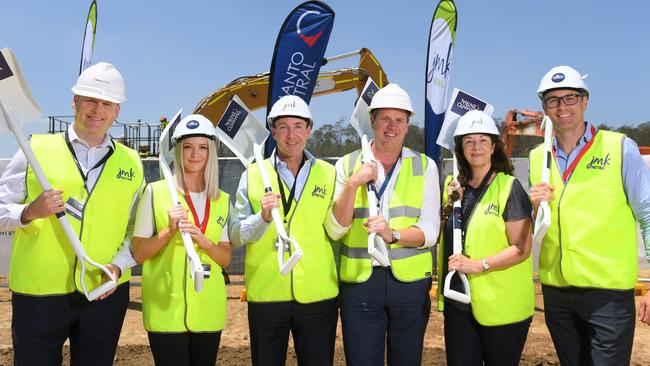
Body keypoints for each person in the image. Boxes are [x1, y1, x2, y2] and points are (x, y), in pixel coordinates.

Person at [0, 62, 143, 365]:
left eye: (107, 103)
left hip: (103, 292)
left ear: (117, 111)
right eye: (90, 100)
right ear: (74, 101)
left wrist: (117, 268)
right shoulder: (34, 149)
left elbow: (136, 230)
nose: (97, 110)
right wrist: (29, 211)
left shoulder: (132, 163)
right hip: (39, 294)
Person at [529, 65, 650, 365]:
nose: (562, 107)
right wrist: (534, 208)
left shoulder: (620, 147)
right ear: (544, 107)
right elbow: (542, 224)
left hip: (607, 294)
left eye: (570, 98)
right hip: (557, 292)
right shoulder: (536, 157)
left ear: (585, 101)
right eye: (553, 100)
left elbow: (648, 213)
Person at [326, 84, 440, 365]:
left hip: (409, 285)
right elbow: (335, 228)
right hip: (361, 283)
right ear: (373, 121)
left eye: (399, 119)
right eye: (385, 118)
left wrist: (394, 234)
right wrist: (353, 184)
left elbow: (430, 230)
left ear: (407, 124)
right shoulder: (346, 164)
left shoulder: (425, 166)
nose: (392, 126)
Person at [230, 95, 338, 365]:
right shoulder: (253, 175)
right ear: (273, 131)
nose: (292, 134)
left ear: (309, 130)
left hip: (318, 293)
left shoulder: (329, 173)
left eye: (299, 126)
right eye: (284, 127)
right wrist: (262, 218)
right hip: (267, 293)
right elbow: (236, 235)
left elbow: (338, 226)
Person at [131, 114, 231, 366]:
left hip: (208, 310)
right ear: (177, 150)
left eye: (202, 148)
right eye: (187, 147)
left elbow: (226, 258)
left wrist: (205, 241)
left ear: (210, 153)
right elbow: (139, 253)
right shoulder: (154, 193)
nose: (195, 154)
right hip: (165, 308)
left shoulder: (222, 200)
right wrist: (168, 231)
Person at [437, 110, 534, 365]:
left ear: (493, 147)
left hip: (502, 308)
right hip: (459, 303)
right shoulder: (452, 186)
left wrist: (478, 265)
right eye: (469, 141)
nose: (476, 147)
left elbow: (522, 248)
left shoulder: (509, 188)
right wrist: (449, 204)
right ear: (461, 148)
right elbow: (441, 234)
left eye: (483, 140)